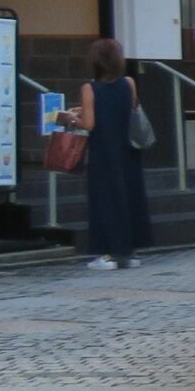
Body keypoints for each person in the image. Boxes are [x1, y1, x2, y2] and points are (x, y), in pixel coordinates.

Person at [71, 38, 154, 269]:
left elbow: (89, 124)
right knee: (130, 197)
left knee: (104, 200)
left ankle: (105, 253)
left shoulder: (89, 88)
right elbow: (130, 108)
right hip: (128, 150)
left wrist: (72, 117)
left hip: (103, 152)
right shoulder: (129, 83)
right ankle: (130, 252)